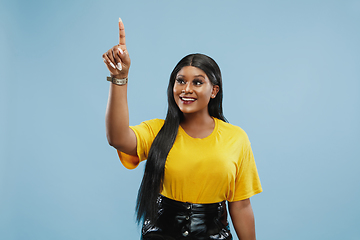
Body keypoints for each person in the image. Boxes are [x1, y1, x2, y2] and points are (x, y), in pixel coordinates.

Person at [102, 18, 262, 240]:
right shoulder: (158, 130)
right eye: (180, 81)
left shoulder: (236, 138)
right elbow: (117, 138)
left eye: (197, 82)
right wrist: (119, 78)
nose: (186, 89)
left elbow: (241, 206)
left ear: (214, 90)